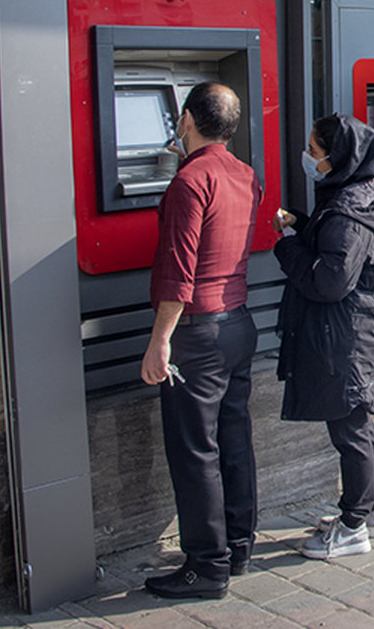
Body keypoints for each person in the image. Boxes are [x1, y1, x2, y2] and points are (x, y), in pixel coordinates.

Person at [140, 82, 263, 600]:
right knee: (233, 440)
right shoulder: (244, 175)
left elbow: (178, 272)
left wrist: (159, 341)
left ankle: (205, 567)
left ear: (186, 118)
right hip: (237, 324)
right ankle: (236, 546)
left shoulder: (191, 182)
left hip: (197, 334)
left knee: (194, 450)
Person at [274, 114, 374, 559]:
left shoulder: (349, 210)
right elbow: (336, 246)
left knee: (349, 428)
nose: (308, 158)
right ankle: (368, 511)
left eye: (314, 150)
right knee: (359, 425)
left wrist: (287, 247)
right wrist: (304, 224)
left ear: (338, 157)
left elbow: (330, 280)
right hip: (356, 331)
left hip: (345, 338)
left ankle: (352, 526)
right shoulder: (360, 197)